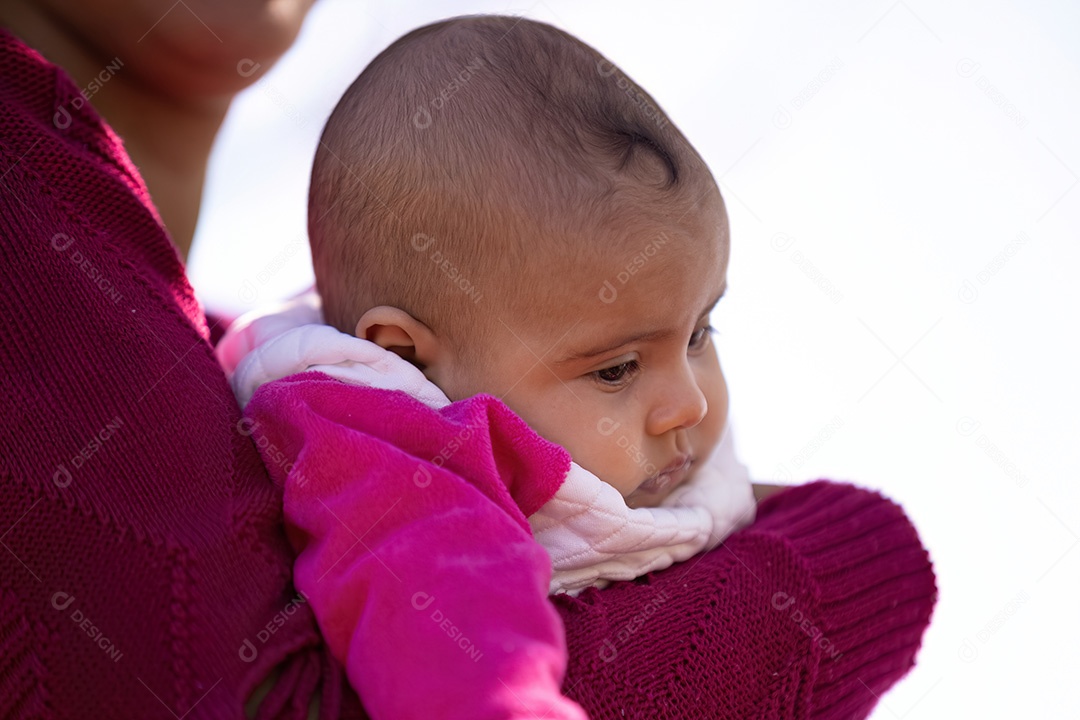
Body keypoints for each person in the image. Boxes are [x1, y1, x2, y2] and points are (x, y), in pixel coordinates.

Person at [217, 15, 938, 720]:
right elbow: (454, 641)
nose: (687, 402)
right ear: (409, 359)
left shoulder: (614, 430)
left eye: (699, 332)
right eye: (618, 370)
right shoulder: (384, 453)